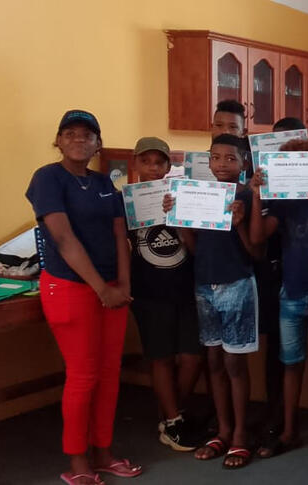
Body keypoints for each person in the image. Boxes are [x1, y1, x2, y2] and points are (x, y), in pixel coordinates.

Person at [26, 109, 143, 485]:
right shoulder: (47, 178)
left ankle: (104, 453)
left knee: (109, 374)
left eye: (87, 134)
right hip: (70, 288)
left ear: (98, 144)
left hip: (111, 289)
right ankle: (78, 463)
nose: (79, 139)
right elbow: (63, 239)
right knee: (83, 375)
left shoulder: (104, 183)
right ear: (59, 141)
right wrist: (101, 288)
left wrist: (123, 284)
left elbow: (119, 236)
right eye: (70, 133)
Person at [165, 134, 259, 469]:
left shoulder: (247, 195)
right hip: (204, 285)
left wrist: (239, 224)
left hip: (237, 284)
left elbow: (256, 251)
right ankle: (223, 430)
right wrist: (178, 220)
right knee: (215, 361)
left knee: (234, 364)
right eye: (215, 157)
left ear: (244, 162)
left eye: (230, 158)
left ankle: (240, 436)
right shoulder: (199, 194)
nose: (222, 164)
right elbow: (194, 247)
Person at [248, 136, 308, 463]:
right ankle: (289, 431)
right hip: (291, 293)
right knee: (291, 366)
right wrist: (257, 194)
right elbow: (257, 236)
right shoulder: (283, 201)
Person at [127, 136, 203, 452]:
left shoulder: (182, 196)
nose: (153, 168)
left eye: (159, 162)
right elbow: (121, 245)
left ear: (169, 166)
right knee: (161, 357)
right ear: (136, 164)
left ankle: (172, 414)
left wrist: (179, 217)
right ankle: (173, 420)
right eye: (146, 161)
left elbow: (194, 247)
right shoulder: (126, 201)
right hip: (148, 291)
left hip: (184, 287)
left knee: (192, 356)